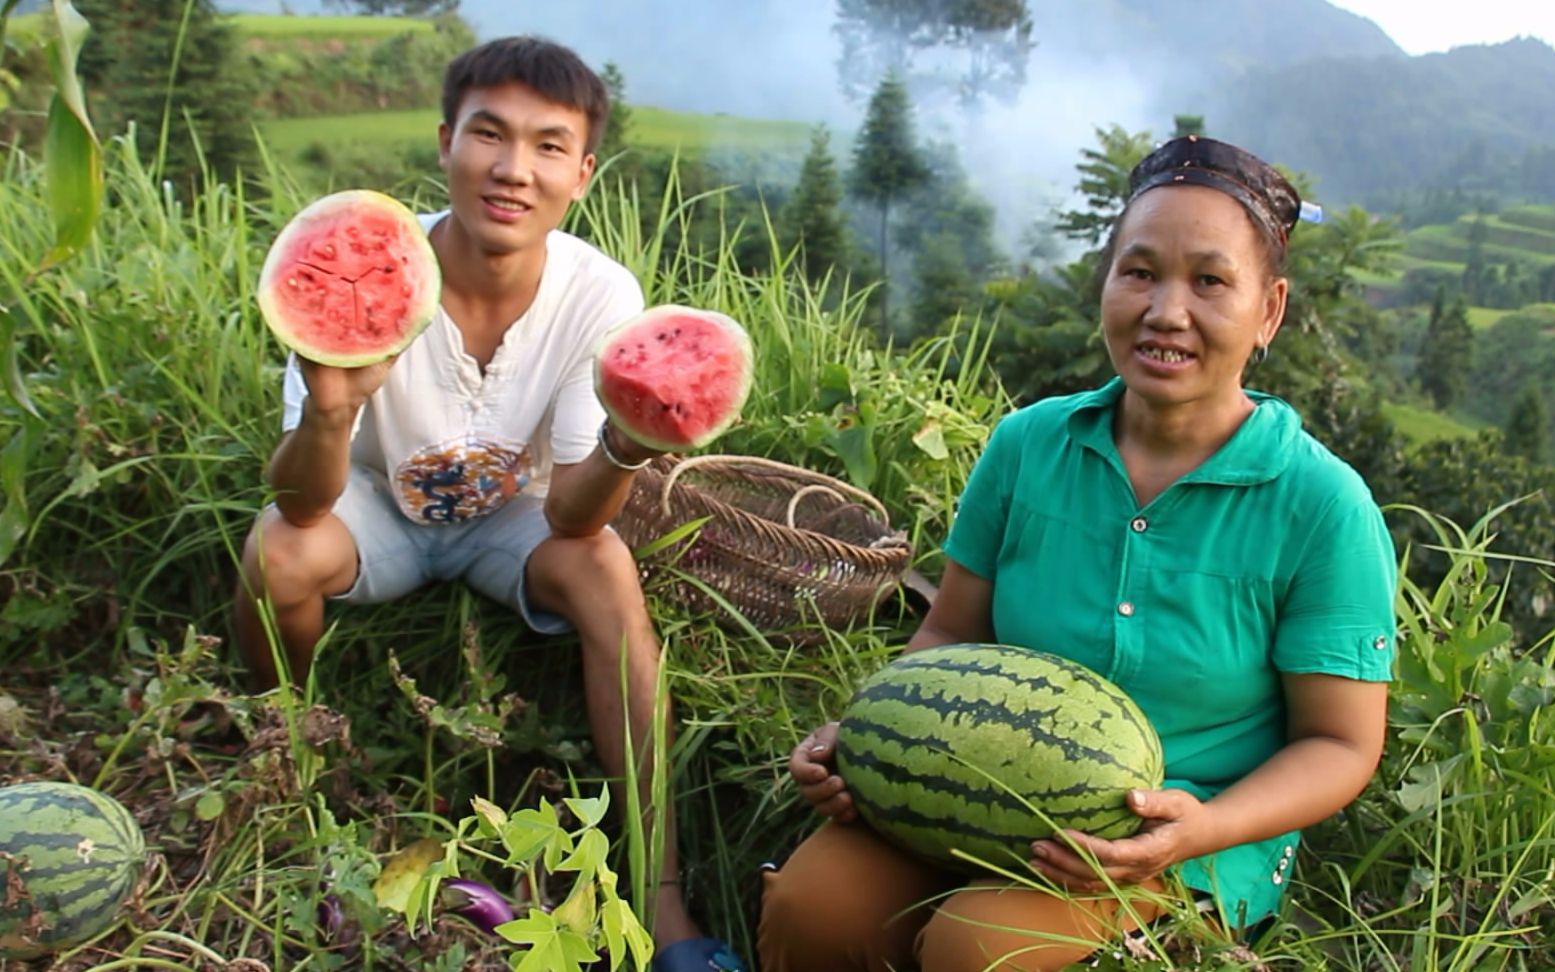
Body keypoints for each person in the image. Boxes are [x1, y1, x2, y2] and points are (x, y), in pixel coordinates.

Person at [758, 136, 1398, 972]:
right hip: (975, 792)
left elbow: (1340, 747)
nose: (1166, 310)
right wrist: (861, 736)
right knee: (814, 910)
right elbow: (946, 636)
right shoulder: (1028, 446)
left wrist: (1196, 830)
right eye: (1138, 272)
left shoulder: (1322, 505)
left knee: (976, 948)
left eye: (1209, 281)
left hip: (1192, 831)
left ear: (1268, 311)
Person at [233, 35, 746, 972]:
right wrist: (334, 406)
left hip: (517, 518)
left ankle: (663, 894)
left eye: (549, 145)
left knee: (605, 569)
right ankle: (275, 760)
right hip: (377, 510)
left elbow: (570, 520)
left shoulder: (599, 294)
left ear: (583, 173)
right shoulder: (372, 268)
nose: (513, 170)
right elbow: (301, 505)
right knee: (274, 550)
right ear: (444, 143)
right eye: (489, 135)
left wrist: (628, 443)